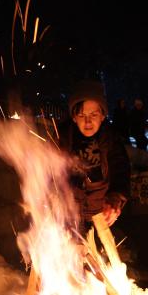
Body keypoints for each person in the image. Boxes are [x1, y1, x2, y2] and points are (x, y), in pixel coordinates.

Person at [57, 80, 131, 233]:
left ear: (103, 116)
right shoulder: (61, 139)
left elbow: (121, 171)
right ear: (73, 117)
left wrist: (115, 199)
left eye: (94, 114)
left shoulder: (110, 140)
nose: (88, 121)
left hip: (101, 217)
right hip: (69, 218)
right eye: (82, 115)